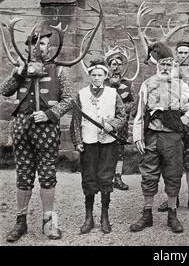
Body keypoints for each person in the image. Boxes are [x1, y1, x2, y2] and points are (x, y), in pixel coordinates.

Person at [1, 32, 74, 242]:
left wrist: (49, 114)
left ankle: (49, 223)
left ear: (49, 48)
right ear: (29, 48)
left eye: (44, 44)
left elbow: (69, 99)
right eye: (36, 44)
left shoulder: (59, 70)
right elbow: (4, 91)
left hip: (46, 129)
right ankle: (20, 222)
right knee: (23, 174)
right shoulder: (21, 69)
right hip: (22, 127)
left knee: (47, 174)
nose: (40, 47)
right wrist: (17, 73)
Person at [130, 42, 189, 233]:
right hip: (151, 136)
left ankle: (172, 214)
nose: (165, 68)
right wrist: (138, 136)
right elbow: (139, 113)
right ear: (157, 65)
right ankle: (147, 215)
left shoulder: (180, 85)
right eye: (162, 64)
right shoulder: (147, 84)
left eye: (169, 65)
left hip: (172, 139)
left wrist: (186, 118)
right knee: (148, 175)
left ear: (173, 66)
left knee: (173, 175)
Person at [70, 58, 126, 234]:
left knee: (105, 178)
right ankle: (89, 217)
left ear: (105, 76)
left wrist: (113, 125)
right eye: (93, 74)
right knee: (88, 178)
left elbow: (122, 116)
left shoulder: (112, 93)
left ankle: (104, 216)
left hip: (108, 143)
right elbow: (76, 120)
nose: (96, 78)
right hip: (88, 143)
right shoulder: (82, 94)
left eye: (100, 75)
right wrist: (78, 141)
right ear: (89, 76)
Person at [157, 41, 189, 213]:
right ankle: (173, 197)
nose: (182, 55)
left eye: (186, 52)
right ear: (175, 54)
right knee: (171, 158)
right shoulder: (168, 70)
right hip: (171, 121)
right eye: (179, 52)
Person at [104, 46, 136, 191]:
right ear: (109, 66)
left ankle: (117, 177)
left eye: (119, 64)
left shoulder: (128, 84)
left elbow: (133, 103)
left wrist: (121, 109)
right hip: (104, 124)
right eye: (113, 64)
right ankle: (105, 177)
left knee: (119, 151)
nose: (116, 68)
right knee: (104, 149)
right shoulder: (102, 82)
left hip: (121, 124)